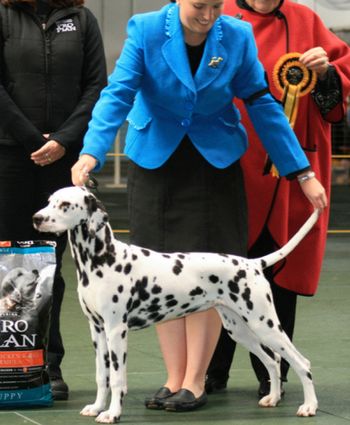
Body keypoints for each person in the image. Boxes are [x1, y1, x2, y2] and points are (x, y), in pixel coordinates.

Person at [71, 0, 327, 412]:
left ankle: (196, 380)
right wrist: (90, 154)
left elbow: (262, 103)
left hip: (216, 163)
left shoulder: (237, 35)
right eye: (198, 7)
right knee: (159, 275)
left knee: (208, 275)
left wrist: (302, 170)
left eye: (214, 5)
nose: (208, 16)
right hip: (156, 160)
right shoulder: (147, 29)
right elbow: (118, 94)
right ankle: (174, 377)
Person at [206, 0, 350, 398]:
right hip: (229, 162)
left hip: (292, 167)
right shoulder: (217, 14)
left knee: (281, 272)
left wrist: (325, 74)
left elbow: (338, 93)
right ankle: (210, 371)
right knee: (218, 271)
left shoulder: (307, 19)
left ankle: (274, 374)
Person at [0, 0, 106, 400]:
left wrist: (64, 140)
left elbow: (97, 86)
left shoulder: (83, 20)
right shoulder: (2, 15)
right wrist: (31, 139)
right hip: (10, 154)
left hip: (65, 160)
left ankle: (48, 366)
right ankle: (10, 367)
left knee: (51, 269)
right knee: (9, 266)